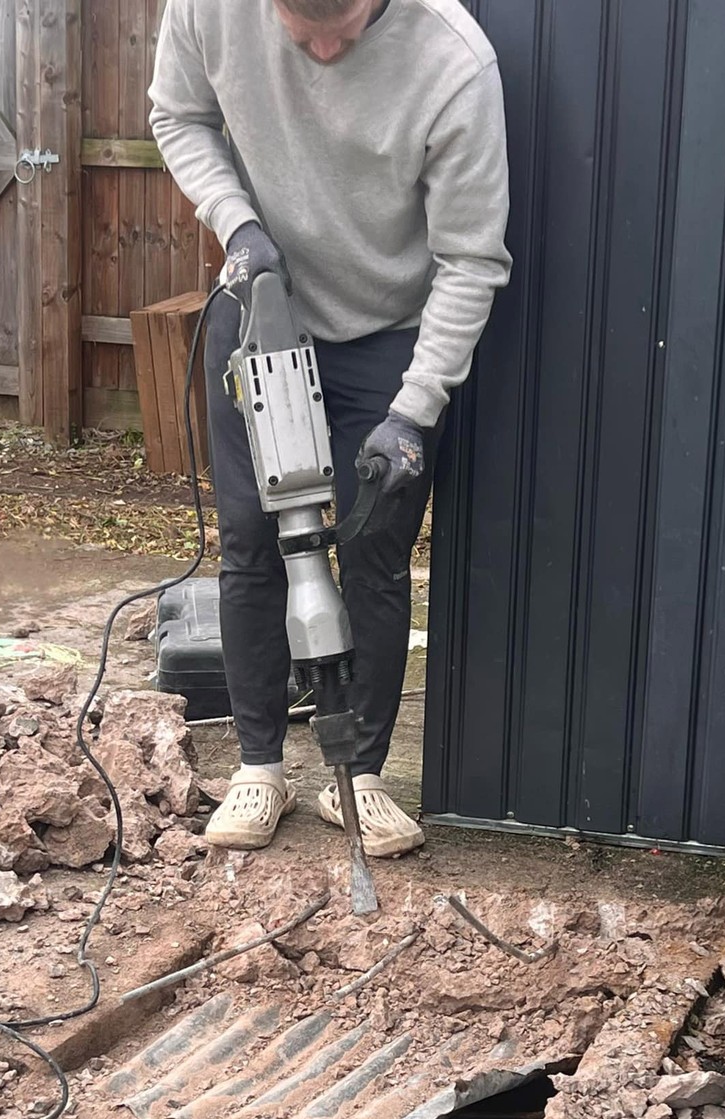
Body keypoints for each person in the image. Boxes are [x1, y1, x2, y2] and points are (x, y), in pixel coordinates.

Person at [149, 0, 511, 856]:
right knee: (251, 542)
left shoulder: (454, 62)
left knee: (375, 552)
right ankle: (259, 768)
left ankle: (361, 777)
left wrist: (413, 410)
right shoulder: (207, 9)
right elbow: (178, 113)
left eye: (342, 24)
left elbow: (471, 260)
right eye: (298, 25)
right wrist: (238, 225)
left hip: (387, 334)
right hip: (258, 306)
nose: (320, 49)